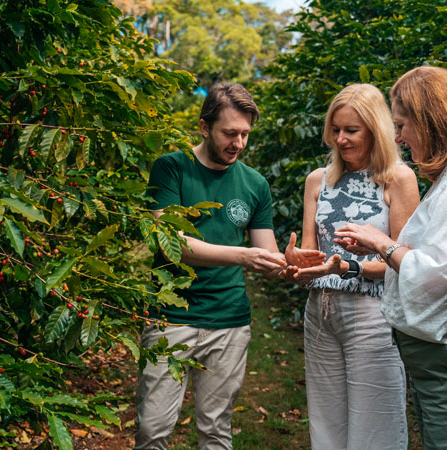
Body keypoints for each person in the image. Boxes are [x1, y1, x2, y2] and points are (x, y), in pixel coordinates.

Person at [134, 82, 324, 450]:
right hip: (171, 317)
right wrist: (242, 256)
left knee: (216, 429)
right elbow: (172, 243)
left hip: (230, 322)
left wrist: (288, 263)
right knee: (152, 429)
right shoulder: (171, 169)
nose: (238, 143)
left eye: (245, 134)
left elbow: (264, 253)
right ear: (205, 128)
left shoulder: (254, 183)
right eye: (229, 133)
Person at [283, 83, 419, 449]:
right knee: (326, 421)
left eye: (351, 130)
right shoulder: (318, 181)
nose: (341, 139)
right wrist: (298, 263)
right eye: (336, 129)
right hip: (320, 312)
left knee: (376, 422)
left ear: (375, 129)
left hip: (372, 313)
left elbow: (406, 261)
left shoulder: (398, 179)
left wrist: (348, 268)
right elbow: (313, 255)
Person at [334, 66, 447, 450]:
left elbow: (437, 272)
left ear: (428, 121)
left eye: (403, 124)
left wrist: (383, 244)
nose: (399, 135)